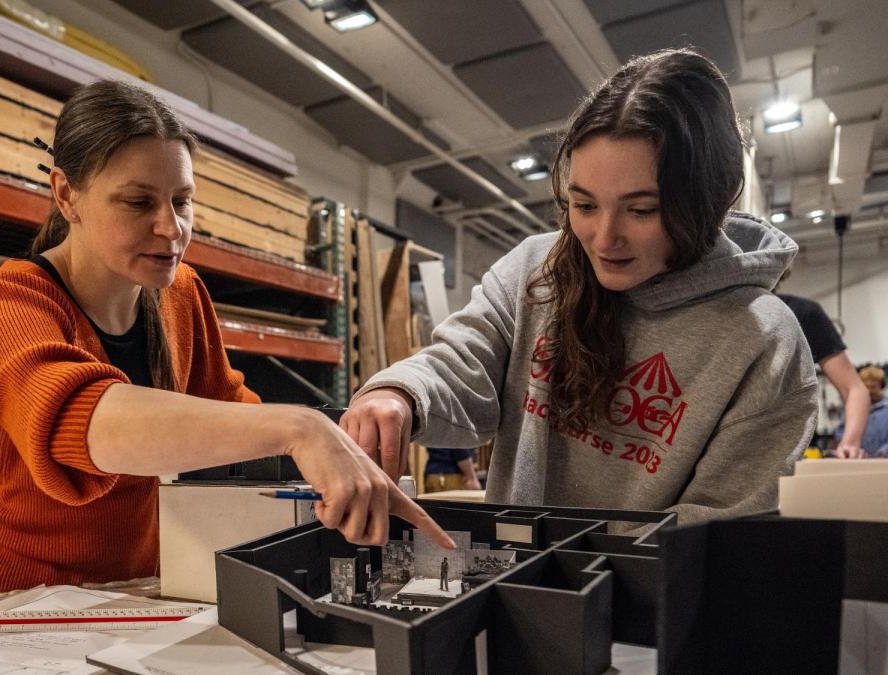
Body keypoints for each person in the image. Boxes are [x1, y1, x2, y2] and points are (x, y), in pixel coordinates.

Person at [0, 81, 451, 592]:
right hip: (21, 598)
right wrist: (301, 429)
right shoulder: (3, 304)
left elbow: (228, 413)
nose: (171, 229)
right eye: (138, 201)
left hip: (146, 584)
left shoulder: (180, 293)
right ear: (66, 195)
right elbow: (86, 423)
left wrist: (341, 451)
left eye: (182, 201)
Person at [340, 49, 817, 524]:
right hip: (514, 582)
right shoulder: (537, 269)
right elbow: (462, 362)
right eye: (584, 205)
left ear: (708, 200)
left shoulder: (763, 341)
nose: (604, 238)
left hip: (651, 593)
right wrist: (398, 395)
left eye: (641, 210)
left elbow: (719, 524)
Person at [778, 292, 870, 458]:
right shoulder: (717, 313)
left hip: (785, 456)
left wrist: (849, 444)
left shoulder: (801, 313)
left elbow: (854, 389)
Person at [835, 366, 888, 457]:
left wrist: (883, 451)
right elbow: (840, 431)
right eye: (866, 387)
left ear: (881, 386)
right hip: (856, 458)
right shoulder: (852, 408)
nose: (870, 391)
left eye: (873, 387)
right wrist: (850, 447)